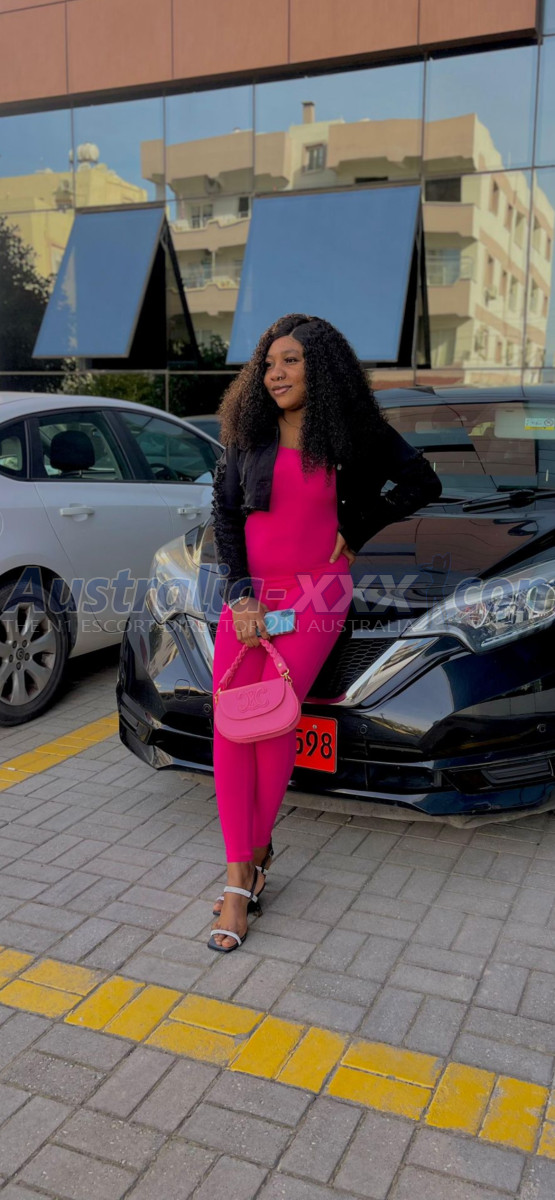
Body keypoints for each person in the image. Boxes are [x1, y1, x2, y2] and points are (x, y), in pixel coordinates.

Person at [208, 313, 442, 952]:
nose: (276, 374)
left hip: (316, 594)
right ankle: (246, 863)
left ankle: (244, 876)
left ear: (322, 368)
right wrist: (241, 595)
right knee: (230, 723)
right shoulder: (249, 432)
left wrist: (360, 525)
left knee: (273, 721)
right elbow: (225, 515)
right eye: (269, 363)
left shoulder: (352, 431)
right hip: (253, 598)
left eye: (291, 361)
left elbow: (422, 481)